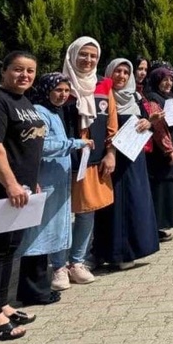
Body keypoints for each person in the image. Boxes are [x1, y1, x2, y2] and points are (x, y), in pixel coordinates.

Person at [17, 73, 90, 302]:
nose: (63, 94)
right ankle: (34, 290)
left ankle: (42, 285)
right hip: (45, 182)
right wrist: (75, 144)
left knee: (52, 230)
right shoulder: (39, 111)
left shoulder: (54, 112)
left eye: (66, 91)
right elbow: (41, 145)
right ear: (47, 89)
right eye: (58, 90)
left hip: (58, 183)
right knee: (37, 235)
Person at [0, 51, 45, 341]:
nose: (24, 75)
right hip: (0, 189)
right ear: (4, 71)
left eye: (30, 71)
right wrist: (11, 184)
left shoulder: (25, 101)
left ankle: (2, 304)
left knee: (9, 248)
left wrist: (30, 182)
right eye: (18, 69)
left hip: (23, 190)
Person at [92, 58, 160, 271]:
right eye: (117, 71)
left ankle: (133, 250)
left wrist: (148, 122)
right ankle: (109, 252)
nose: (121, 76)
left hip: (133, 159)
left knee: (134, 202)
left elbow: (147, 124)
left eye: (125, 72)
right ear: (109, 73)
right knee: (111, 206)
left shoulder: (136, 97)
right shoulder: (102, 97)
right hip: (110, 159)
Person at [59, 36, 112, 286]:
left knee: (86, 211)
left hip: (93, 160)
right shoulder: (60, 84)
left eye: (93, 56)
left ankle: (77, 262)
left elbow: (111, 122)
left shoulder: (103, 85)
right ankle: (58, 265)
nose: (88, 60)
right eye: (83, 54)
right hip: (62, 159)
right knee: (59, 213)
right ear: (72, 54)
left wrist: (110, 153)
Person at [141, 66, 173, 239]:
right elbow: (158, 127)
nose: (168, 83)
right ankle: (155, 228)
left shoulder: (170, 97)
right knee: (159, 191)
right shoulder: (153, 98)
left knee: (169, 190)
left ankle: (161, 226)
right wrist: (169, 150)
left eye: (170, 80)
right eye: (164, 79)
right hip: (162, 155)